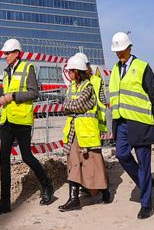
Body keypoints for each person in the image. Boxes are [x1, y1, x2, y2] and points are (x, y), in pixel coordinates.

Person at [0, 38, 55, 217]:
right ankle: (4, 202)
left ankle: (47, 184)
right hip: (7, 120)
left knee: (26, 156)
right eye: (4, 53)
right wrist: (3, 99)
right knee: (3, 159)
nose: (5, 56)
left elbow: (34, 93)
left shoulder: (28, 68)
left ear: (17, 53)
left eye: (8, 53)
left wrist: (12, 96)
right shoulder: (5, 71)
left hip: (22, 121)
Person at [108, 31, 154, 220]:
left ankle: (146, 204)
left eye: (122, 50)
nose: (119, 53)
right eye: (117, 51)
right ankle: (144, 181)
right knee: (122, 154)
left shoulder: (142, 66)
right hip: (121, 121)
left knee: (144, 163)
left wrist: (148, 116)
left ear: (129, 47)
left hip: (140, 122)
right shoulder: (114, 69)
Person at [59, 53, 111, 211]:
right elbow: (65, 106)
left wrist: (69, 105)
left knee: (94, 164)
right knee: (73, 163)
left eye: (71, 71)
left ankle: (104, 191)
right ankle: (73, 198)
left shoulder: (88, 87)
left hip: (87, 133)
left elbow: (78, 105)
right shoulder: (72, 87)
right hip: (74, 132)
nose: (68, 73)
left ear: (78, 71)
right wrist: (69, 105)